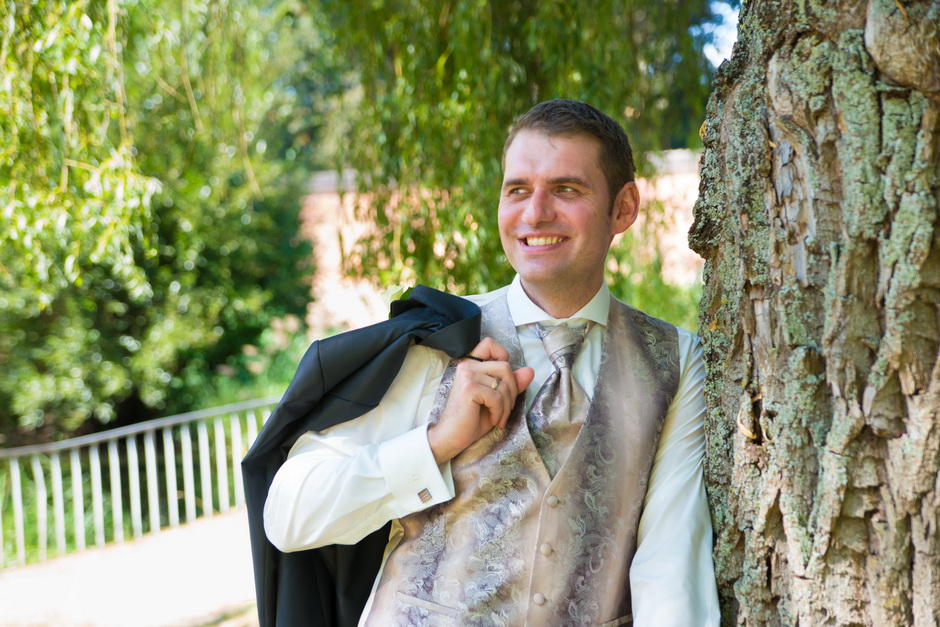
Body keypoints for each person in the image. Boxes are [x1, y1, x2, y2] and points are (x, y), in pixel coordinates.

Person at [264, 99, 720, 625]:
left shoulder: (676, 359)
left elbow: (671, 560)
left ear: (623, 207)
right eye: (517, 190)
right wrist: (435, 444)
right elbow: (288, 514)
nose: (535, 213)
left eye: (566, 189)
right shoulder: (438, 337)